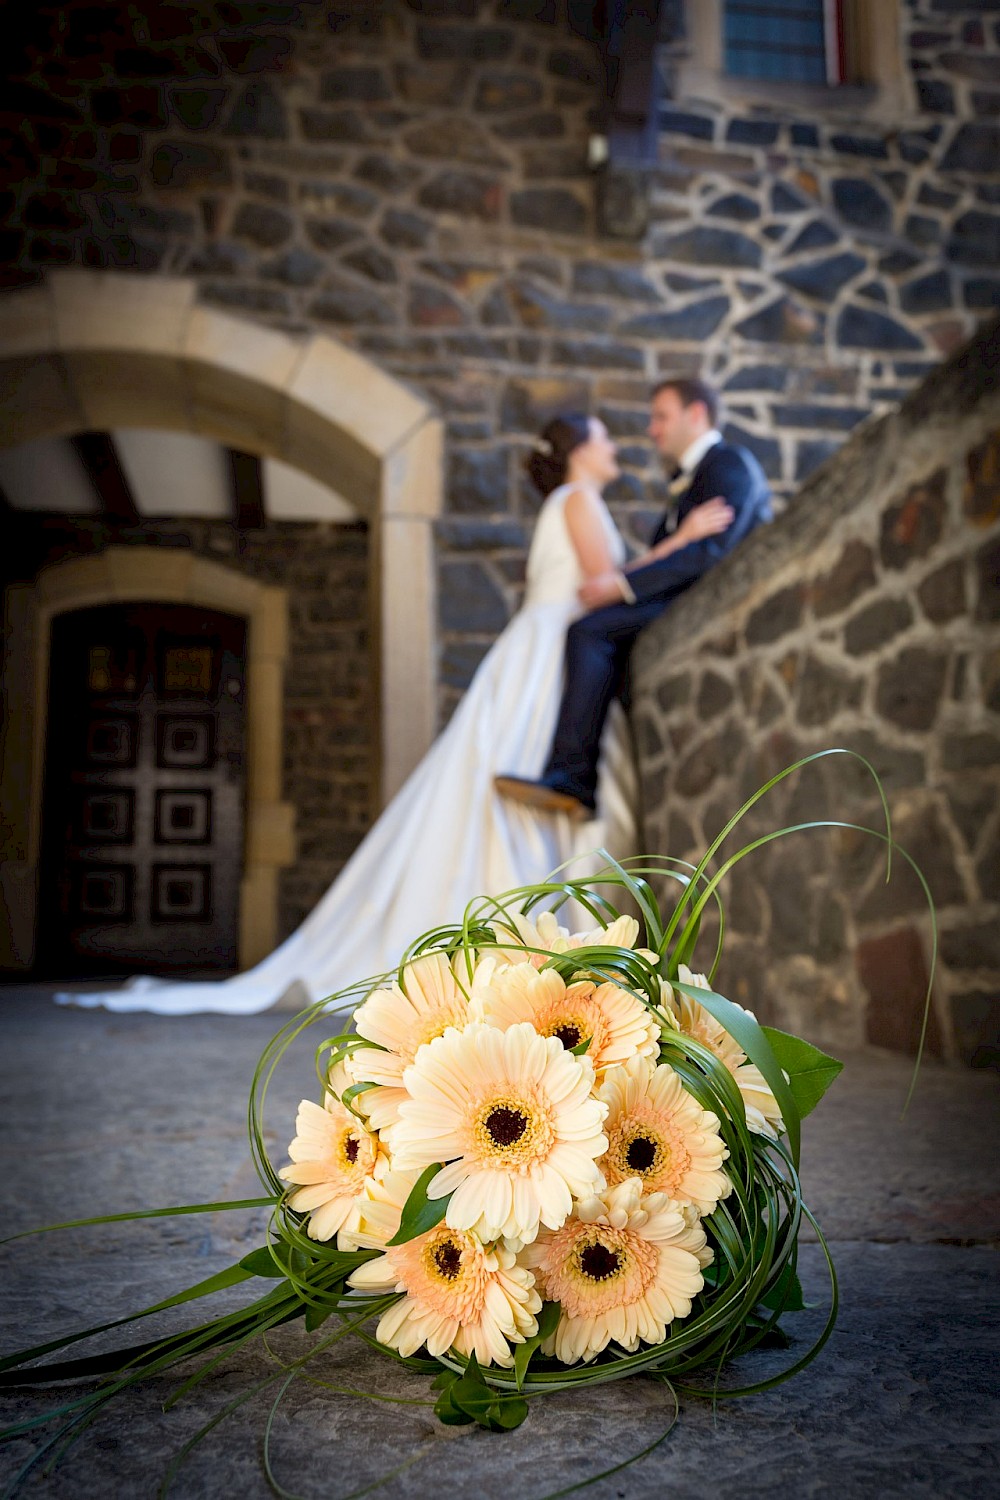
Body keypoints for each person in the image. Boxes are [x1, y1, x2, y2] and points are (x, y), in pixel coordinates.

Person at [58, 413, 728, 1016]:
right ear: (580, 451)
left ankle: (532, 946)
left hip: (543, 652)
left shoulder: (571, 499)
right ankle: (531, 948)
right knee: (533, 785)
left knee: (514, 792)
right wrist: (688, 537)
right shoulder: (578, 498)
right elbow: (595, 588)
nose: (617, 444)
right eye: (605, 435)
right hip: (552, 656)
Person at [496, 377, 772, 821]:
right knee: (593, 632)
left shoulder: (728, 463)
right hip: (679, 601)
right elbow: (677, 548)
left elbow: (711, 550)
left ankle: (574, 777)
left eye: (661, 416)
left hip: (707, 601)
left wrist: (621, 588)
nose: (651, 429)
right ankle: (573, 775)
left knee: (591, 631)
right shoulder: (687, 482)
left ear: (696, 414)